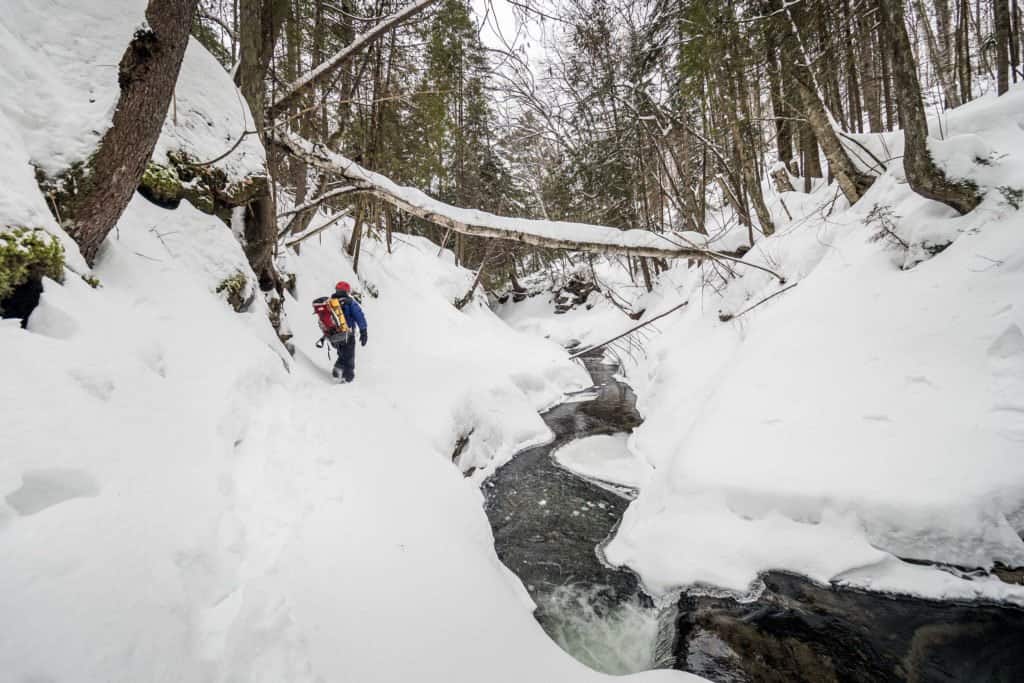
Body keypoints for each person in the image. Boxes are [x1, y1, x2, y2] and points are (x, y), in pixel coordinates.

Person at [328, 281, 367, 383]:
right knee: (349, 355)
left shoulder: (331, 302)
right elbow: (359, 316)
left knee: (342, 353)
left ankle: (338, 371)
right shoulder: (350, 303)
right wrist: (364, 331)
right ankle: (347, 376)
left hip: (334, 336)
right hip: (348, 334)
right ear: (347, 291)